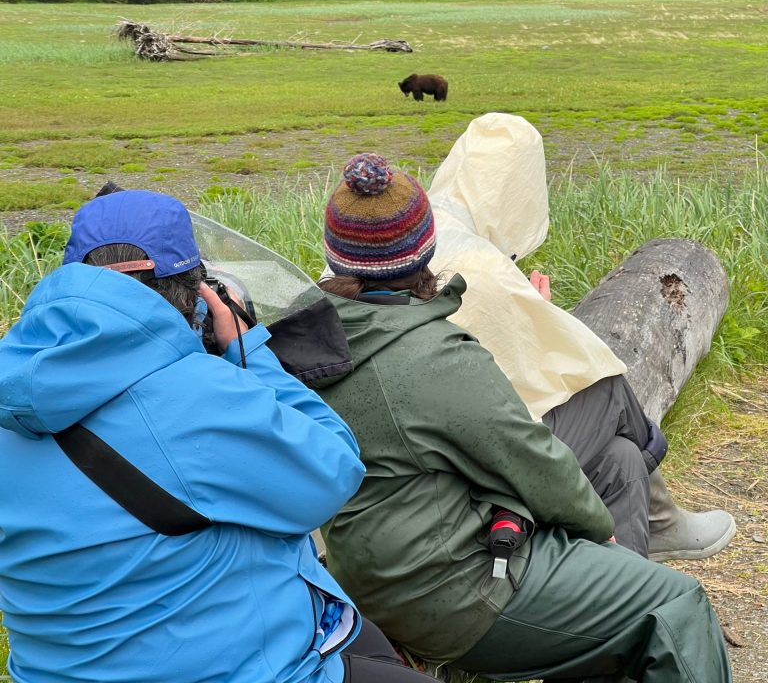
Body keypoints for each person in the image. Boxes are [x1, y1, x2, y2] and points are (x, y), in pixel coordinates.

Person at [315, 154, 732, 682]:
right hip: (451, 588)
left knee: (621, 462)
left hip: (389, 562)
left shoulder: (324, 331)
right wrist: (601, 538)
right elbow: (531, 458)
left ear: (336, 257)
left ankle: (631, 562)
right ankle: (649, 539)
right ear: (426, 247)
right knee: (677, 604)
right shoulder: (431, 355)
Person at [0, 189, 434, 683]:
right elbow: (334, 468)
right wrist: (250, 352)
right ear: (196, 293)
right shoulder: (200, 396)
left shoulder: (8, 393)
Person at [426, 112, 735, 562]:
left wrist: (524, 312)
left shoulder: (431, 225)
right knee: (604, 384)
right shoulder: (473, 257)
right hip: (466, 464)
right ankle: (660, 515)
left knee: (621, 458)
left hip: (451, 437)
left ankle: (630, 585)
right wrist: (539, 315)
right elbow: (541, 366)